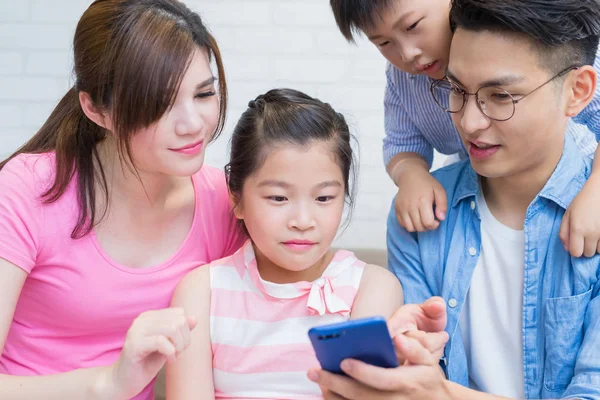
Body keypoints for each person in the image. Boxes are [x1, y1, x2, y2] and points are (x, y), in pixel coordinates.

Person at [313, 0, 600, 398]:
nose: (469, 122)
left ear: (578, 91)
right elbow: (417, 378)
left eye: (501, 96)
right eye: (456, 91)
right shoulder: (421, 221)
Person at [0, 1, 245, 399]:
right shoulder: (28, 188)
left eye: (203, 94)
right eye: (160, 103)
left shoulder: (221, 200)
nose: (193, 124)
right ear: (97, 110)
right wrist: (109, 384)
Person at [166, 88, 404, 399]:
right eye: (278, 197)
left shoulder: (372, 288)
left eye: (323, 198)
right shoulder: (201, 292)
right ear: (237, 199)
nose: (303, 220)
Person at [329, 0, 600, 258]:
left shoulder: (535, 44)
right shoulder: (404, 78)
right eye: (384, 43)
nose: (407, 53)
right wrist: (411, 175)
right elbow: (403, 144)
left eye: (412, 26)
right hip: (481, 195)